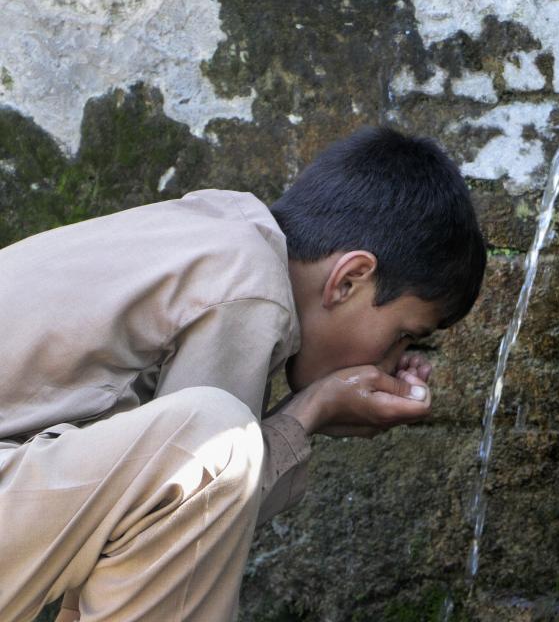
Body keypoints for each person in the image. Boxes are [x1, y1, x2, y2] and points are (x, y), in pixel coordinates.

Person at [0, 126, 487, 622]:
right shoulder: (249, 285)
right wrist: (314, 408)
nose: (390, 361)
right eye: (404, 335)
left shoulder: (219, 230)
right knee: (218, 438)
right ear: (349, 280)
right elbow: (200, 498)